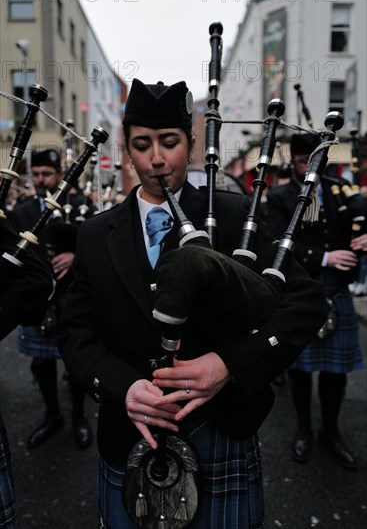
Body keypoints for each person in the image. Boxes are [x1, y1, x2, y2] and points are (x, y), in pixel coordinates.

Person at [57, 79, 328, 528]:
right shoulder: (94, 233)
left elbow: (304, 302)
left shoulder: (236, 215)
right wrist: (123, 387)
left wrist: (229, 364)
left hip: (220, 425)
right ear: (127, 150)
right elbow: (75, 333)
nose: (157, 158)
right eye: (142, 144)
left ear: (192, 144)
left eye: (169, 142)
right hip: (128, 432)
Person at [265, 132, 367, 470]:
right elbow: (277, 241)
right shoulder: (280, 196)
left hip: (336, 291)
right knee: (301, 371)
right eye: (301, 160)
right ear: (291, 160)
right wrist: (324, 257)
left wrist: (363, 236)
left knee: (335, 373)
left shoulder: (339, 189)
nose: (309, 167)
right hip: (301, 292)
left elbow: (358, 216)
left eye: (315, 160)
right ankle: (304, 428)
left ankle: (331, 431)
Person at [9, 149, 93, 450]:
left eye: (47, 173)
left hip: (71, 296)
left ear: (60, 175)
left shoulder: (81, 205)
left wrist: (75, 255)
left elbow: (99, 243)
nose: (41, 180)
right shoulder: (21, 210)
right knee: (41, 362)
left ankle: (79, 417)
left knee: (75, 363)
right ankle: (53, 415)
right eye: (36, 174)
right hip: (36, 302)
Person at [0, 217, 53, 528]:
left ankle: (65, 417)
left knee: (63, 367)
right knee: (41, 363)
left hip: (62, 292)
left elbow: (35, 277)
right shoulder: (22, 206)